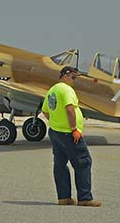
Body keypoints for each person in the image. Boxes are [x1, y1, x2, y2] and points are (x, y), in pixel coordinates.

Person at [41, 66, 101, 207]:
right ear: (65, 76)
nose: (74, 81)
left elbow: (45, 111)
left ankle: (64, 198)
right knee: (83, 162)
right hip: (69, 133)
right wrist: (74, 128)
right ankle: (85, 198)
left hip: (56, 132)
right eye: (73, 78)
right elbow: (69, 109)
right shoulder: (67, 90)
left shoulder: (52, 90)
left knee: (60, 164)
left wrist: (55, 122)